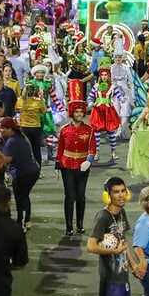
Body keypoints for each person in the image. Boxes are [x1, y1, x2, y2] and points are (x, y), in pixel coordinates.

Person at [55, 82, 95, 236]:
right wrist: (58, 166)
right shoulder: (64, 129)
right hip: (67, 165)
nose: (78, 114)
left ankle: (80, 224)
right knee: (69, 196)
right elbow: (60, 149)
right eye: (76, 111)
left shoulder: (89, 130)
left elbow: (92, 148)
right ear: (72, 112)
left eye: (81, 111)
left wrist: (89, 160)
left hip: (83, 166)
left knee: (81, 196)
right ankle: (69, 226)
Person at [0, 117, 40, 231]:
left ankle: (21, 222)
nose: (1, 130)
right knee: (25, 196)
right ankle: (27, 220)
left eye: (4, 128)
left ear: (11, 129)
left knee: (20, 197)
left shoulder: (12, 141)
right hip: (33, 170)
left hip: (24, 173)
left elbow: (6, 160)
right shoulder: (20, 136)